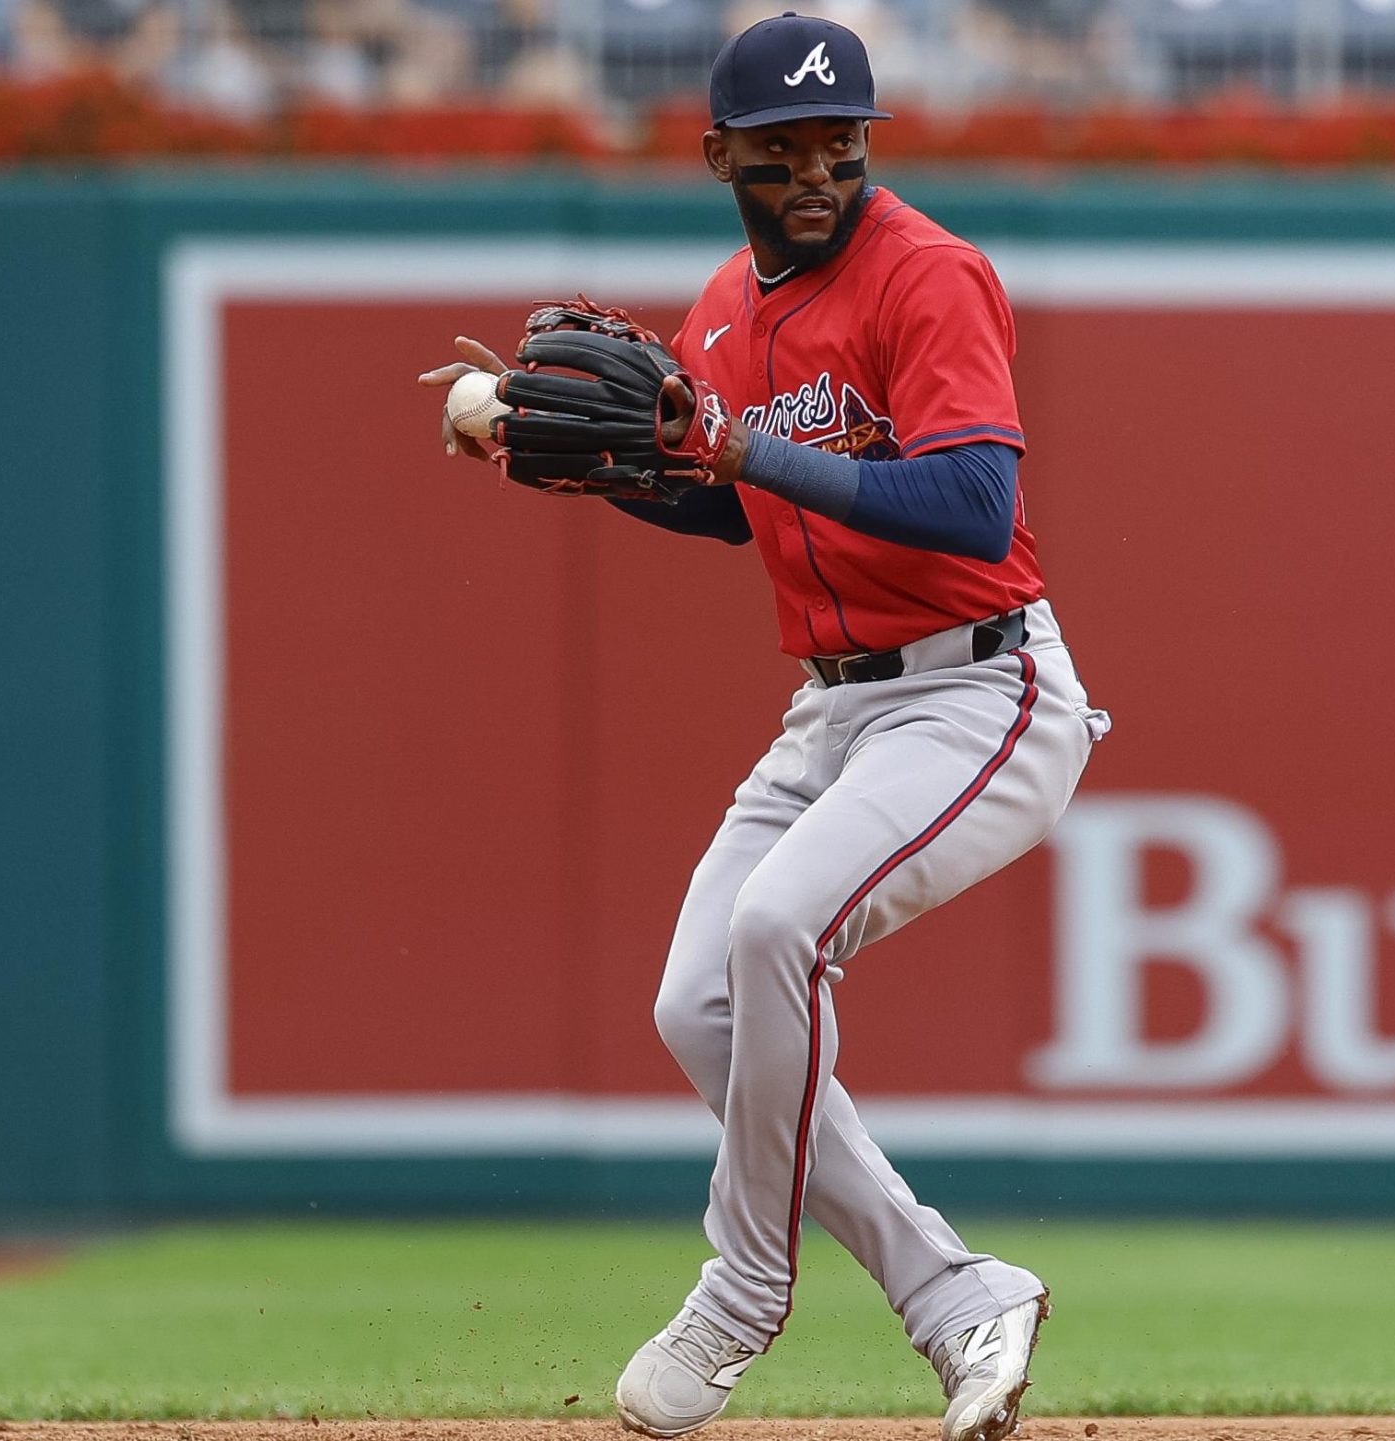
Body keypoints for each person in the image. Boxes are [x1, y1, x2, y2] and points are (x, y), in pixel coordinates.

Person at [417, 12, 1109, 1440]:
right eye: (784, 148)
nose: (816, 170)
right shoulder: (726, 305)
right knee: (700, 1004)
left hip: (981, 686)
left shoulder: (929, 274)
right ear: (721, 150)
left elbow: (974, 506)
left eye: (839, 143)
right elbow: (724, 499)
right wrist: (568, 457)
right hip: (834, 707)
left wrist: (740, 442)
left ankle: (742, 1287)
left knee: (776, 928)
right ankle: (959, 1293)